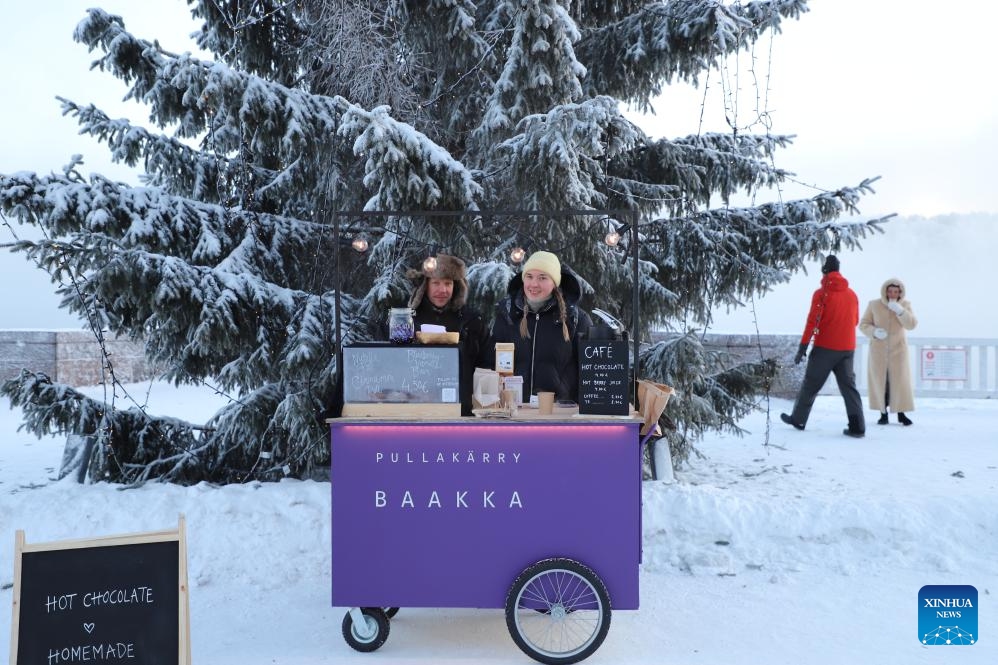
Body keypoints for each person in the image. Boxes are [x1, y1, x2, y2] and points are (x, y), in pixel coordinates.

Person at [780, 255, 866, 437]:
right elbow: (855, 320)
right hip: (848, 348)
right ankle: (857, 427)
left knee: (811, 384)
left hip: (825, 347)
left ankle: (799, 419)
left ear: (824, 270)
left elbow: (813, 322)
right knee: (849, 388)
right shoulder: (852, 294)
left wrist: (803, 346)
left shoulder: (821, 294)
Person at [491, 250, 592, 402]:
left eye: (543, 278)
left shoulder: (576, 319)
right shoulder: (507, 315)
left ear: (555, 283)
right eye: (529, 276)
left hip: (559, 414)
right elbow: (491, 361)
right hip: (513, 411)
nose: (534, 284)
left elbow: (590, 371)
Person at [402, 254, 490, 416]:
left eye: (448, 283)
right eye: (436, 283)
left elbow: (486, 365)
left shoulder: (472, 320)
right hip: (417, 409)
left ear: (456, 286)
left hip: (462, 410)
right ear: (425, 286)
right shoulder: (408, 320)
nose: (442, 290)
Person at [859, 278, 918, 425]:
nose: (893, 294)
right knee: (881, 382)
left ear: (900, 292)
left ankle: (901, 414)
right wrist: (874, 332)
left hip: (899, 351)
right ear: (885, 291)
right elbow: (863, 324)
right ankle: (883, 413)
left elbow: (911, 325)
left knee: (899, 382)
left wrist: (900, 311)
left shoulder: (905, 305)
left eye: (896, 291)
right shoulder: (874, 305)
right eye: (890, 291)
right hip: (878, 351)